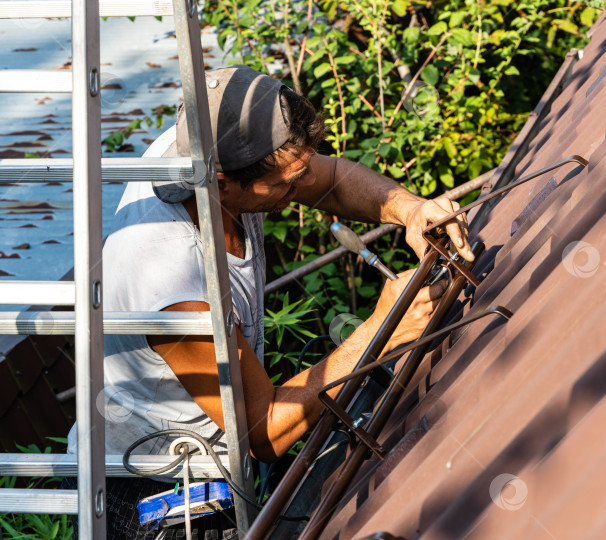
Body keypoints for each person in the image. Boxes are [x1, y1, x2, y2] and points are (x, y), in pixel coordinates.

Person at [64, 65, 473, 538]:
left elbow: (332, 177)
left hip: (216, 453)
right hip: (153, 492)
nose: (302, 192)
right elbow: (260, 430)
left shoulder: (220, 136)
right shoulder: (169, 281)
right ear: (219, 182)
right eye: (287, 184)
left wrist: (410, 209)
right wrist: (385, 329)